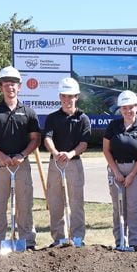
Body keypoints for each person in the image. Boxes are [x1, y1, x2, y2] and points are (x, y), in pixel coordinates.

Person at [0, 66, 41, 255]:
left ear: (19, 86)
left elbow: (35, 139)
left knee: (25, 205)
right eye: (6, 84)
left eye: (13, 84)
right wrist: (1, 156)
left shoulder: (28, 112)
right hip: (0, 165)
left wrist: (22, 155)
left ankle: (27, 243)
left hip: (21, 165)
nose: (10, 87)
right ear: (1, 87)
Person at [43, 77, 91, 247]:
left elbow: (84, 143)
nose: (67, 99)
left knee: (76, 202)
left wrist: (70, 154)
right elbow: (47, 138)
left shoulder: (83, 118)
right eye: (64, 96)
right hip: (55, 163)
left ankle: (77, 238)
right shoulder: (52, 117)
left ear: (76, 97)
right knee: (55, 202)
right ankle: (59, 238)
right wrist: (56, 153)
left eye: (70, 96)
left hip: (74, 163)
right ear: (60, 97)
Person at [103, 90, 137, 249]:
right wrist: (115, 171)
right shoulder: (113, 126)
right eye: (124, 108)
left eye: (131, 107)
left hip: (135, 170)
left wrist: (131, 174)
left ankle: (135, 243)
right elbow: (106, 150)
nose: (128, 111)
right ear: (120, 109)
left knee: (134, 208)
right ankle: (120, 243)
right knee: (118, 208)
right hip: (115, 168)